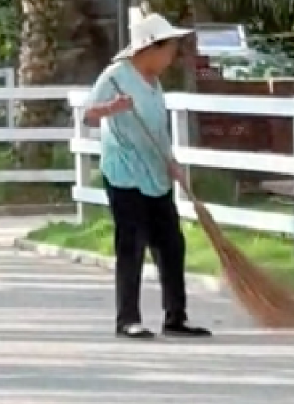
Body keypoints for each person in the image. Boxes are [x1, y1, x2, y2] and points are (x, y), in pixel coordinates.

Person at [82, 13, 212, 339]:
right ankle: (127, 319)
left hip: (156, 173)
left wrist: (172, 162)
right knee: (132, 244)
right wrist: (112, 107)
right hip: (124, 173)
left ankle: (176, 316)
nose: (172, 56)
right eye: (169, 49)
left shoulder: (155, 82)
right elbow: (88, 115)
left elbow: (159, 127)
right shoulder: (116, 76)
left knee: (171, 244)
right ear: (149, 48)